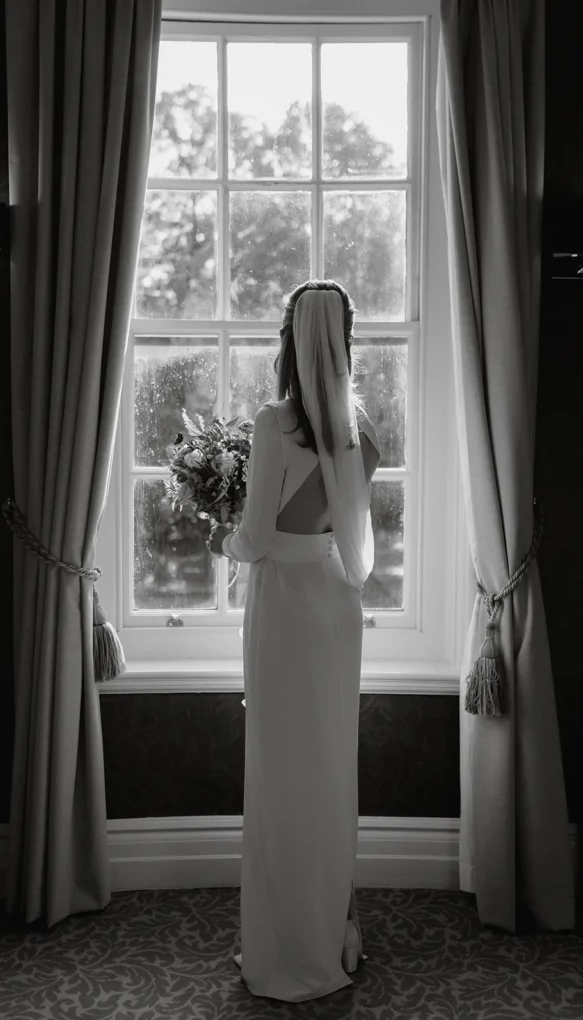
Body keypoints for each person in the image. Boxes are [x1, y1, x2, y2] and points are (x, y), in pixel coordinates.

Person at [208, 279, 381, 1002]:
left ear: (288, 341)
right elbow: (352, 544)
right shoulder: (361, 435)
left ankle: (282, 947)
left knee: (281, 775)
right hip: (334, 610)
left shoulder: (272, 423)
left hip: (282, 609)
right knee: (326, 770)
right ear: (342, 341)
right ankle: (322, 931)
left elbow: (254, 538)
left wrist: (222, 538)